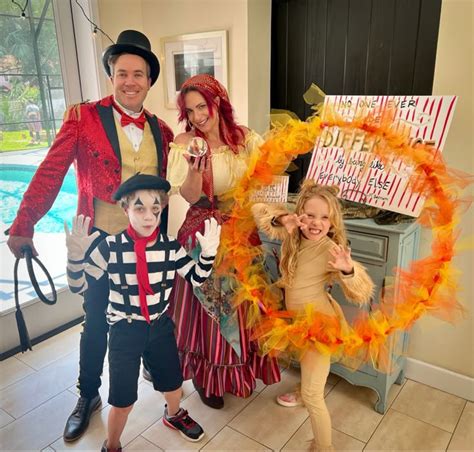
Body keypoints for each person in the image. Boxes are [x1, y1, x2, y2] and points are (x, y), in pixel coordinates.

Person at [6, 30, 173, 441]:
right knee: (96, 321)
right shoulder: (83, 118)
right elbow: (51, 170)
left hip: (146, 245)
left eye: (138, 74)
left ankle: (151, 367)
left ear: (149, 80)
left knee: (150, 314)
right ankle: (88, 395)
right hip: (100, 239)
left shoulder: (163, 131)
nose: (130, 81)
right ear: (111, 77)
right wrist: (25, 222)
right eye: (122, 73)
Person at [65, 174, 221, 451]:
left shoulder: (170, 247)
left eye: (155, 209)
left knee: (173, 384)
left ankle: (174, 414)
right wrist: (75, 258)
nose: (149, 216)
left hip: (159, 327)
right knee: (122, 401)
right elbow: (79, 287)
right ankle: (112, 444)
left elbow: (196, 278)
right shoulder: (110, 248)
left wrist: (207, 255)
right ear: (125, 209)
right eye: (140, 208)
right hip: (124, 331)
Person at [167, 74, 280, 409]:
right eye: (190, 110)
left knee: (241, 305)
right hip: (204, 233)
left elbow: (265, 182)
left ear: (218, 102)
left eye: (202, 106)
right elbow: (189, 196)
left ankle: (237, 372)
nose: (197, 116)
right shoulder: (185, 142)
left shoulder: (245, 139)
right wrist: (194, 170)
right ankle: (207, 379)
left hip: (242, 231)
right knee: (209, 311)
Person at [252, 181, 374, 451]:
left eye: (324, 218)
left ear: (333, 222)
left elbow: (362, 292)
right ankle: (302, 390)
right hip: (295, 319)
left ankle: (324, 446)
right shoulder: (293, 233)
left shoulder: (330, 250)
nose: (316, 223)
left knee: (314, 396)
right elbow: (258, 209)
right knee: (304, 366)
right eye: (310, 215)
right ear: (300, 214)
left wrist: (347, 270)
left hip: (320, 327)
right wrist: (282, 218)